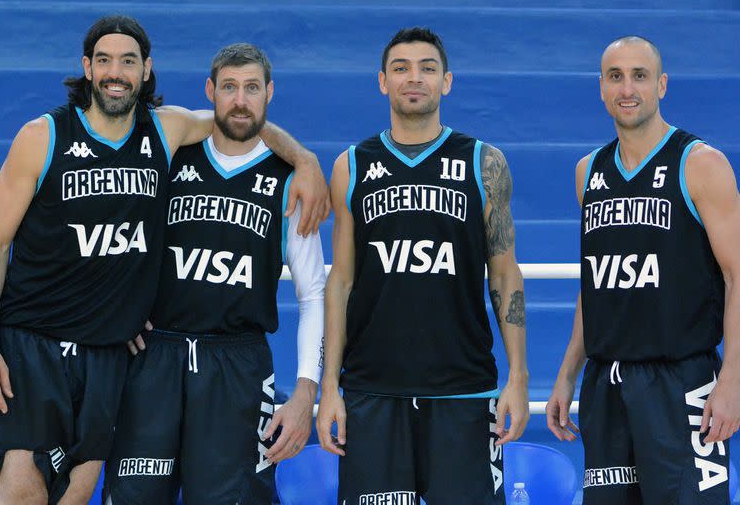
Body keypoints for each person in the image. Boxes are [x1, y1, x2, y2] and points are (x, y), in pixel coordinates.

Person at [0, 15, 329, 504]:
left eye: (127, 61)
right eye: (103, 61)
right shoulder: (43, 136)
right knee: (22, 489)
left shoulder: (164, 131)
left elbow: (240, 120)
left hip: (107, 352)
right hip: (34, 341)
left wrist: (305, 159)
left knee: (77, 492)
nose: (115, 72)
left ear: (146, 71)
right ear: (86, 67)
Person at [102, 42, 325, 505]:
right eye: (229, 87)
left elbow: (313, 295)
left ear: (269, 94)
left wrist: (305, 391)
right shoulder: (168, 157)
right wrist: (116, 316)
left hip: (236, 366)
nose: (240, 100)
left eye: (251, 88)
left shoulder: (290, 181)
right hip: (154, 359)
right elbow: (111, 236)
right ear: (210, 91)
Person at [316, 27, 529, 504]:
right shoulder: (352, 165)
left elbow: (505, 274)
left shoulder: (483, 162)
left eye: (427, 69)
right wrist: (329, 386)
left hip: (464, 391)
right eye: (401, 69)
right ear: (382, 82)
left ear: (446, 81)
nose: (415, 79)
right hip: (373, 391)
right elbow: (342, 281)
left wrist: (517, 378)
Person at [546, 36, 740, 504]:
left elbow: (737, 276)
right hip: (607, 383)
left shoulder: (701, 164)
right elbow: (596, 284)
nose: (627, 88)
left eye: (639, 76)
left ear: (662, 85)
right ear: (601, 88)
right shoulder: (587, 171)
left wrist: (733, 379)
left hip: (682, 381)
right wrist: (567, 372)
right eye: (615, 76)